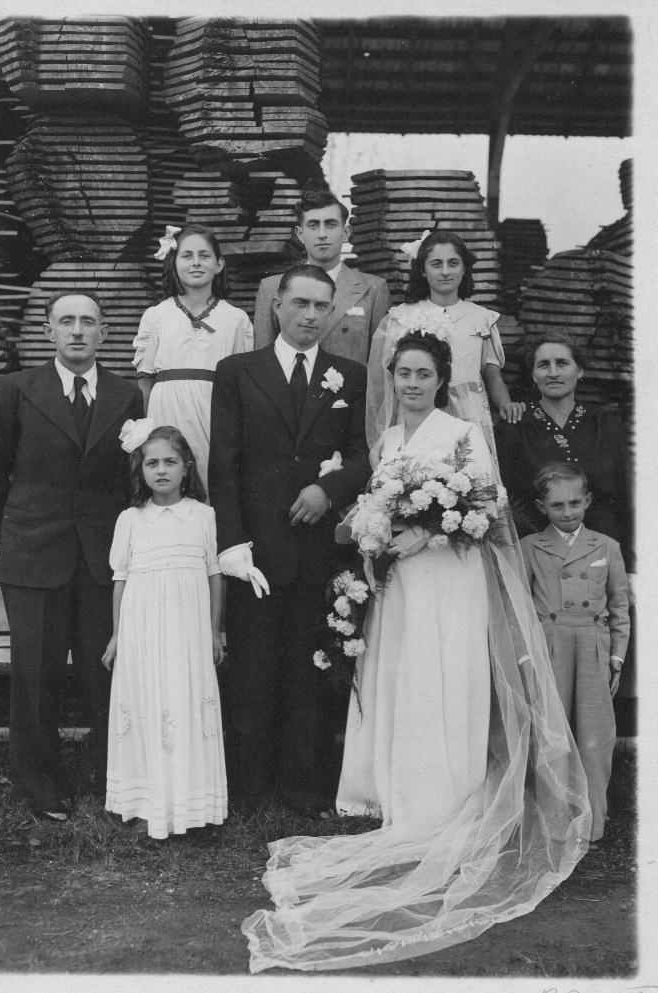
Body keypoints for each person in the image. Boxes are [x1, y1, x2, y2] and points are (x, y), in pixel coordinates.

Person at [241, 332, 590, 972]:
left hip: (448, 575)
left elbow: (487, 506)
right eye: (403, 373)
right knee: (401, 670)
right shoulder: (389, 439)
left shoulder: (462, 433)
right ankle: (388, 789)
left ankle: (444, 793)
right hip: (399, 579)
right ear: (391, 376)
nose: (411, 384)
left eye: (423, 374)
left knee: (440, 671)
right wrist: (372, 532)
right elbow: (377, 500)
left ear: (441, 379)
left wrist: (426, 533)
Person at [0, 290, 145, 821]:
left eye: (87, 321)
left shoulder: (125, 395)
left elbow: (130, 480)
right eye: (66, 321)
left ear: (104, 333)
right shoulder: (15, 390)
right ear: (48, 330)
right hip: (33, 555)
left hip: (101, 559)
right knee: (36, 675)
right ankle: (39, 784)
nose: (77, 330)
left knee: (105, 673)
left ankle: (111, 779)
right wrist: (25, 524)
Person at [208, 263, 371, 816]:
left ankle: (304, 788)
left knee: (310, 669)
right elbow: (223, 464)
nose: (310, 315)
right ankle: (249, 789)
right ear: (276, 305)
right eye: (300, 303)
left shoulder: (349, 374)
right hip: (255, 550)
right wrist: (232, 544)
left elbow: (362, 455)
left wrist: (329, 489)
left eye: (322, 306)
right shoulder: (237, 371)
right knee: (253, 670)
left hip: (318, 549)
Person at [102, 423, 227, 840]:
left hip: (188, 630)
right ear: (140, 470)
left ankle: (191, 806)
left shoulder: (203, 515)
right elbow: (121, 579)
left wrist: (214, 631)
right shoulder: (131, 519)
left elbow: (214, 575)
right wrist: (118, 634)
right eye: (152, 463)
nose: (161, 470)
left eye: (170, 462)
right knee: (147, 702)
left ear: (186, 467)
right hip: (142, 628)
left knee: (185, 701)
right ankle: (146, 804)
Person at [520, 462, 630, 848]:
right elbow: (519, 608)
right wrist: (526, 657)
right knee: (553, 733)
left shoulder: (606, 546)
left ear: (587, 501)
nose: (567, 512)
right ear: (542, 507)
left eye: (574, 503)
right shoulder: (530, 547)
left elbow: (619, 607)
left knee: (595, 737)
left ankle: (592, 824)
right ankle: (554, 823)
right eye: (557, 505)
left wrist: (617, 657)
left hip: (593, 646)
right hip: (551, 644)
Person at [366, 229, 525, 451]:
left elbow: (493, 377)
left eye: (453, 263)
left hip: (468, 414)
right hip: (416, 413)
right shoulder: (401, 317)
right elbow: (383, 383)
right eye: (436, 264)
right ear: (423, 270)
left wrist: (506, 403)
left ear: (464, 268)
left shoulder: (481, 318)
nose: (445, 271)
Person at [495, 332, 634, 573]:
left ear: (579, 371)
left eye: (562, 363)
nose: (553, 373)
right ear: (533, 375)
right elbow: (504, 502)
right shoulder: (516, 425)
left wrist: (631, 567)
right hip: (539, 560)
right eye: (543, 365)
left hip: (603, 556)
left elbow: (626, 495)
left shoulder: (605, 422)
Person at [133, 223, 254, 493]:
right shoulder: (156, 315)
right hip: (166, 410)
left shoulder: (236, 319)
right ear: (174, 263)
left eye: (204, 255)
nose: (196, 263)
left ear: (219, 264)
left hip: (214, 412)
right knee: (170, 478)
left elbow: (242, 387)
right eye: (187, 256)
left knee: (210, 482)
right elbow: (145, 382)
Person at [253, 188, 391, 365]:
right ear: (300, 234)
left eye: (331, 224)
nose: (322, 234)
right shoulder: (271, 287)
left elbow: (379, 365)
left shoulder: (373, 289)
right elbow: (262, 362)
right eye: (313, 225)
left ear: (346, 232)